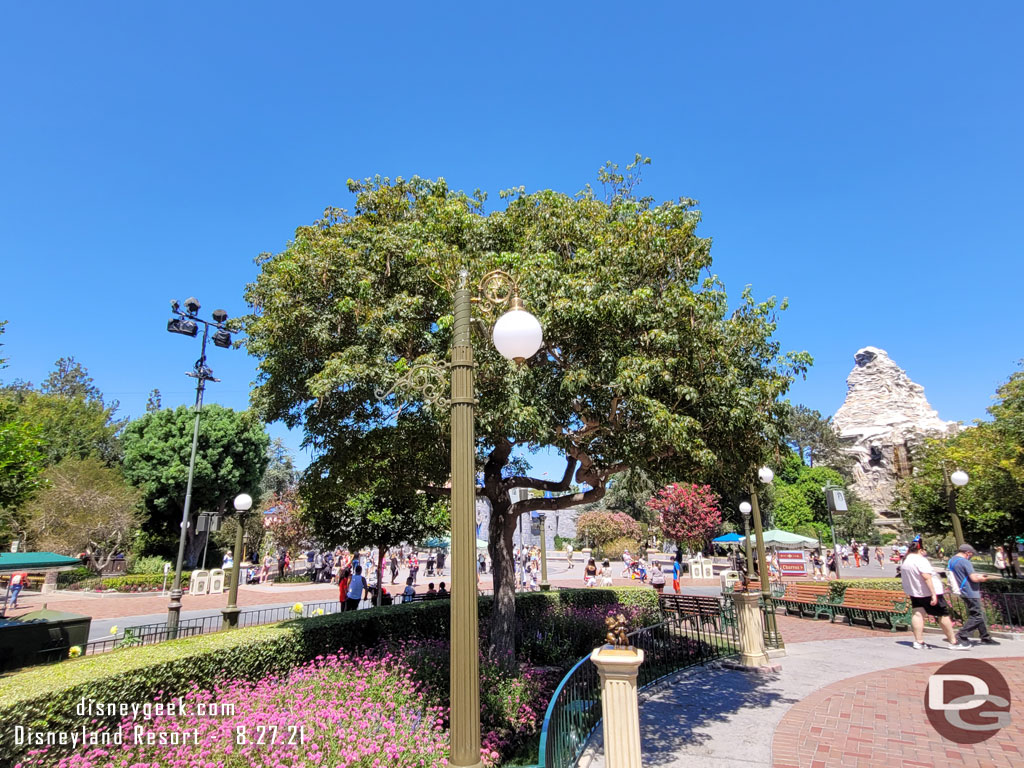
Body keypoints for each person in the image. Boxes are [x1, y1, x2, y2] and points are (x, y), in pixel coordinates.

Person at [900, 539, 967, 650]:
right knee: (943, 615)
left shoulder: (906, 561)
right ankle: (953, 642)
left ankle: (919, 641)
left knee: (918, 613)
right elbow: (926, 577)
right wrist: (933, 594)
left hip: (916, 592)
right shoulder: (920, 560)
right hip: (928, 592)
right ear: (920, 550)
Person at [948, 543, 1000, 646]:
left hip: (962, 590)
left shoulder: (952, 560)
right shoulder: (965, 562)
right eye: (971, 554)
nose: (971, 556)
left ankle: (985, 637)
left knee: (978, 614)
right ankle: (962, 635)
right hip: (971, 591)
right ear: (967, 553)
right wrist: (983, 578)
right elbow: (974, 578)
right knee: (977, 616)